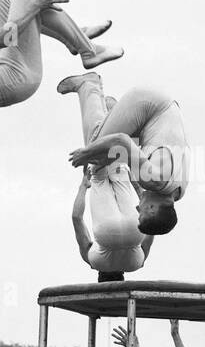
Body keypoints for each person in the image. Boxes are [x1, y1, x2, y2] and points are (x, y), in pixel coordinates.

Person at [63, 76, 188, 235]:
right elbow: (121, 140)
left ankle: (113, 112)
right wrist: (85, 153)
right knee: (96, 154)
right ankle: (88, 84)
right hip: (148, 104)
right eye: (140, 213)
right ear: (151, 209)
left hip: (163, 110)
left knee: (110, 157)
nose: (136, 207)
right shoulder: (154, 181)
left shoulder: (176, 192)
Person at [60, 72, 155, 279]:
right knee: (96, 155)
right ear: (99, 276)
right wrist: (83, 186)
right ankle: (90, 87)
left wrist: (139, 188)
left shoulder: (137, 264)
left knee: (119, 159)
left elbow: (152, 228)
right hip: (106, 231)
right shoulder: (94, 261)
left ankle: (114, 113)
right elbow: (76, 218)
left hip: (134, 231)